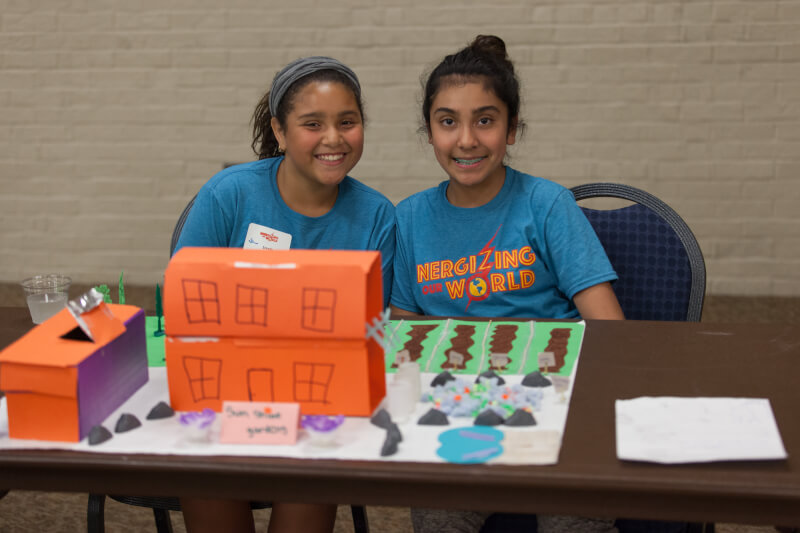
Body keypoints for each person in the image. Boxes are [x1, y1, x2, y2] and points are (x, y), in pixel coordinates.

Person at [391, 34, 626, 533]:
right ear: (429, 131)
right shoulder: (409, 219)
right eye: (448, 121)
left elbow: (609, 328)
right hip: (455, 413)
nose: (467, 140)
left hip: (555, 407)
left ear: (512, 129)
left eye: (486, 120)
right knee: (439, 519)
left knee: (575, 523)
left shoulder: (547, 205)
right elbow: (402, 346)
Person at [175, 56, 395, 533]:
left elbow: (374, 332)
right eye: (312, 124)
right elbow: (182, 313)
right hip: (223, 392)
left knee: (313, 468)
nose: (333, 138)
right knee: (205, 464)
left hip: (322, 399)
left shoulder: (378, 216)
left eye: (348, 122)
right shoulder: (228, 195)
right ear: (279, 130)